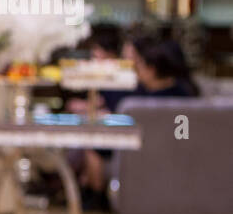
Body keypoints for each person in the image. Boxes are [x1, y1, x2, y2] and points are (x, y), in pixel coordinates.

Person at [75, 32, 199, 200]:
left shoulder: (146, 103)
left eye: (137, 65)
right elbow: (183, 136)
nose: (135, 70)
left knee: (94, 146)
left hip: (144, 148)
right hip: (153, 147)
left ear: (151, 69)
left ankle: (95, 196)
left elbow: (181, 134)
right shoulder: (179, 93)